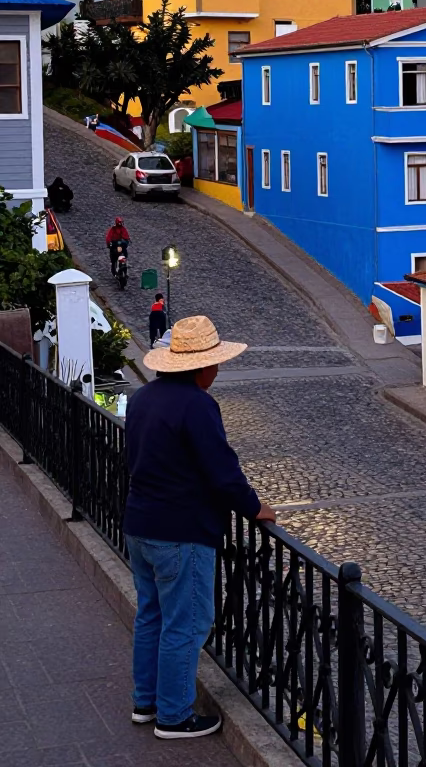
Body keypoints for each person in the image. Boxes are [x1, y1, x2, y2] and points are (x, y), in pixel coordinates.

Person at [123, 315, 276, 741]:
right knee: (186, 622)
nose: (218, 370)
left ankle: (146, 702)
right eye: (215, 363)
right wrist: (254, 507)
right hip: (180, 530)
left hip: (139, 523)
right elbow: (222, 473)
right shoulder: (197, 405)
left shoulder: (142, 398)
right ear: (200, 367)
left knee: (151, 615)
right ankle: (173, 716)